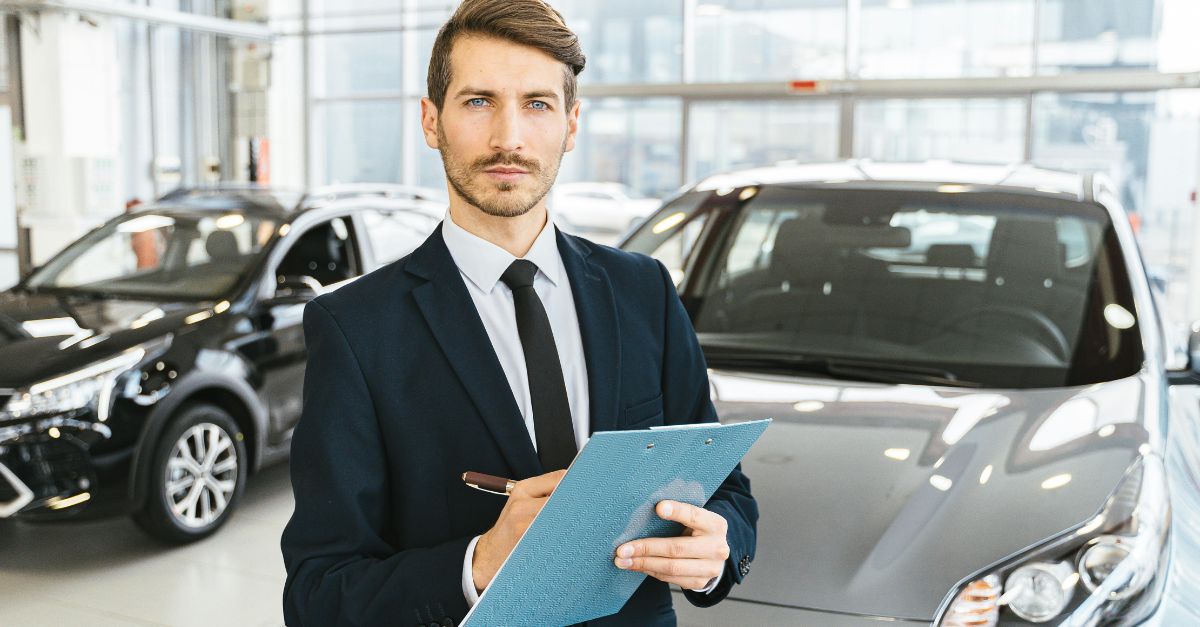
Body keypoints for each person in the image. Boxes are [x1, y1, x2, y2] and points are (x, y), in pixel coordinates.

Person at [280, 1, 757, 625]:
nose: (510, 137)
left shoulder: (642, 290)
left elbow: (727, 491)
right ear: (432, 121)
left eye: (537, 103)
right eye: (479, 101)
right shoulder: (355, 328)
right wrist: (476, 565)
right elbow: (318, 595)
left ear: (571, 123)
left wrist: (717, 551)